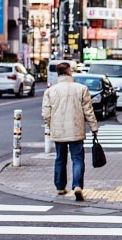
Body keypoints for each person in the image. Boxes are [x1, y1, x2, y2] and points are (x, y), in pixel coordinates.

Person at [41, 61, 99, 201]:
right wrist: (94, 128)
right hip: (76, 129)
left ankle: (60, 187)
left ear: (58, 73)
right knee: (77, 159)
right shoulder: (81, 89)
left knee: (60, 158)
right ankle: (77, 185)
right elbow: (88, 111)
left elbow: (46, 114)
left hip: (59, 130)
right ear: (69, 72)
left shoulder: (50, 91)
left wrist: (51, 125)